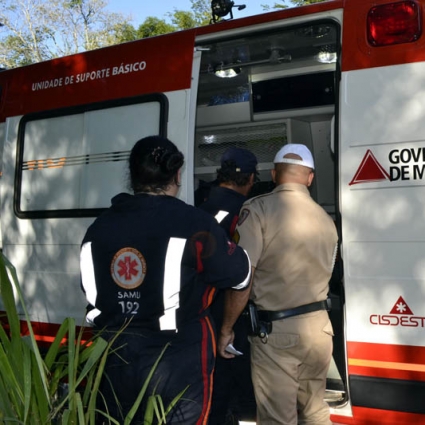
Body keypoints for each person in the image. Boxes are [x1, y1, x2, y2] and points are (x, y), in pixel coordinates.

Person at [80, 135, 252, 424]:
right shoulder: (195, 224)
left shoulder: (98, 228)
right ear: (177, 174)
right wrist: (225, 330)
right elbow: (241, 275)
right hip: (177, 361)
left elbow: (91, 292)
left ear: (132, 176)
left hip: (113, 357)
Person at [229, 143, 338, 425]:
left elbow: (243, 278)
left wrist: (226, 328)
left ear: (274, 174)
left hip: (277, 333)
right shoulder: (326, 220)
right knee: (315, 411)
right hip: (320, 330)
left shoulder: (258, 210)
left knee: (278, 419)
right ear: (310, 178)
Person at [199, 147, 258, 425]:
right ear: (251, 179)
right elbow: (246, 267)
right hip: (230, 302)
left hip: (200, 302)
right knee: (233, 367)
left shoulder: (199, 203)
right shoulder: (246, 210)